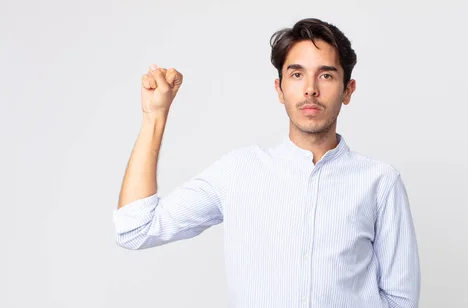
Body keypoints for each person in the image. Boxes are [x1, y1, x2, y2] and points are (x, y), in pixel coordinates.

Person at [113, 17, 420, 308]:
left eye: (326, 75)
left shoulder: (379, 182)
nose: (310, 89)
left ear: (347, 91)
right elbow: (135, 229)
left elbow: (400, 300)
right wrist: (155, 116)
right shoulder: (238, 171)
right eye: (297, 74)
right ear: (280, 89)